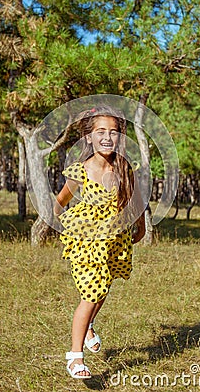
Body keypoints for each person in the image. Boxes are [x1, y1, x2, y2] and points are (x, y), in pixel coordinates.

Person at [54, 105, 145, 379]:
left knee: (103, 287)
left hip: (115, 240)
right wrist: (64, 226)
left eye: (114, 132)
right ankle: (75, 357)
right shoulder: (80, 170)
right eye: (100, 131)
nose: (107, 137)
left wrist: (139, 226)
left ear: (120, 137)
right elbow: (60, 202)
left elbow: (136, 200)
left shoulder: (125, 168)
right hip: (87, 244)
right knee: (90, 294)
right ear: (89, 138)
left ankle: (90, 324)